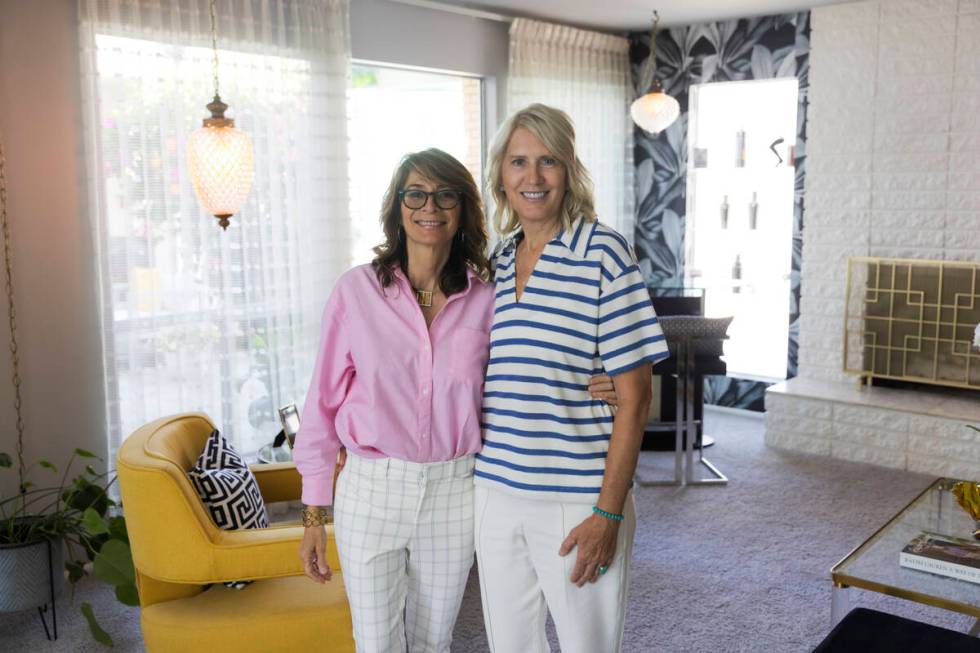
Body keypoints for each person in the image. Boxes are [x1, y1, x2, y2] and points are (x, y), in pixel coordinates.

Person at [292, 148, 617, 653]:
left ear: (463, 209)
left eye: (446, 195)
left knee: (432, 641)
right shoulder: (355, 292)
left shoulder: (490, 298)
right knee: (376, 643)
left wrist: (603, 377)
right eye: (415, 194)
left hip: (454, 492)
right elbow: (321, 407)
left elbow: (531, 361)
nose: (430, 207)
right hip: (372, 490)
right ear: (397, 207)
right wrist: (314, 512)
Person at [473, 104, 669, 653]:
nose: (532, 178)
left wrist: (607, 512)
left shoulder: (604, 252)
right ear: (501, 175)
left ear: (569, 171)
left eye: (548, 161)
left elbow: (635, 399)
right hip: (495, 492)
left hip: (577, 499)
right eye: (518, 162)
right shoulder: (499, 258)